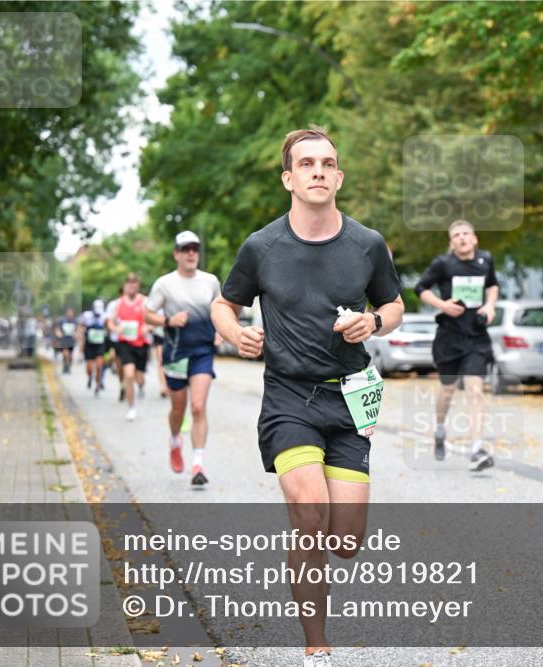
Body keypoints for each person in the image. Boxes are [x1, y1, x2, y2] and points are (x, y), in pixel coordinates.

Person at [212, 126, 403, 667]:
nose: (318, 171)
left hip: (349, 401)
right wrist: (235, 333)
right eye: (307, 163)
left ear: (338, 176)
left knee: (345, 541)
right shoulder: (262, 246)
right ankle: (316, 644)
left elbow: (395, 307)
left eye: (328, 163)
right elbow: (223, 306)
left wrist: (373, 322)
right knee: (308, 513)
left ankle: (318, 554)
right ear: (289, 178)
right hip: (289, 398)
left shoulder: (367, 244)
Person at [414, 219, 500, 471]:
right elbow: (420, 288)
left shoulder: (486, 261)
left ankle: (477, 449)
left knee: (475, 390)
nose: (462, 238)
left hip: (476, 335)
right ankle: (440, 429)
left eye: (466, 234)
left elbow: (493, 285)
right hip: (449, 337)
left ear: (475, 238)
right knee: (448, 389)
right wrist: (443, 306)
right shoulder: (443, 264)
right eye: (457, 235)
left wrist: (490, 305)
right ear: (451, 242)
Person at [145, 231, 222, 486]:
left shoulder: (210, 281)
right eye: (185, 249)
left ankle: (198, 464)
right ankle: (175, 439)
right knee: (178, 409)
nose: (191, 253)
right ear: (176, 254)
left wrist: (221, 331)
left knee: (198, 407)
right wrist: (168, 320)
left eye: (194, 249)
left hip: (202, 351)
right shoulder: (164, 284)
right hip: (175, 353)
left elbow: (219, 310)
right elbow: (147, 315)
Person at [109, 273, 150, 421]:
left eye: (134, 284)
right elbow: (110, 322)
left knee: (139, 378)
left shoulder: (145, 302)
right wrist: (115, 329)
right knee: (129, 375)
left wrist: (148, 327)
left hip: (141, 344)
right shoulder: (118, 303)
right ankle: (131, 407)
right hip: (125, 344)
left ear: (138, 286)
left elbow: (153, 319)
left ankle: (141, 385)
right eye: (129, 284)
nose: (131, 286)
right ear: (125, 286)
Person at [80, 300, 108, 395]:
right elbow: (81, 328)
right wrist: (81, 344)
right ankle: (90, 377)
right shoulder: (86, 316)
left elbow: (109, 328)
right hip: (89, 344)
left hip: (100, 344)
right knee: (90, 368)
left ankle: (97, 384)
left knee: (99, 366)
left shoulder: (105, 316)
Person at [53, 307, 77, 374]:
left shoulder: (74, 321)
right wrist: (58, 334)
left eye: (71, 313)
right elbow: (57, 328)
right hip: (64, 340)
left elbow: (77, 329)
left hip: (71, 340)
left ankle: (68, 366)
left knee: (70, 356)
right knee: (65, 354)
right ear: (66, 313)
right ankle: (65, 366)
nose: (70, 314)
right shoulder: (62, 320)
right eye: (69, 312)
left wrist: (77, 335)